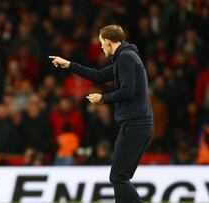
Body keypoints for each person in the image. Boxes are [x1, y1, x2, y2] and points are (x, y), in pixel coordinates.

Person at [49, 25, 153, 203]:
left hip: (135, 124)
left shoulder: (126, 58)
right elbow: (98, 76)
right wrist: (69, 65)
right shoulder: (126, 57)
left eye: (101, 43)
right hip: (137, 124)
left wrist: (103, 99)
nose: (101, 47)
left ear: (107, 41)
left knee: (118, 177)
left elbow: (128, 91)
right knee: (120, 177)